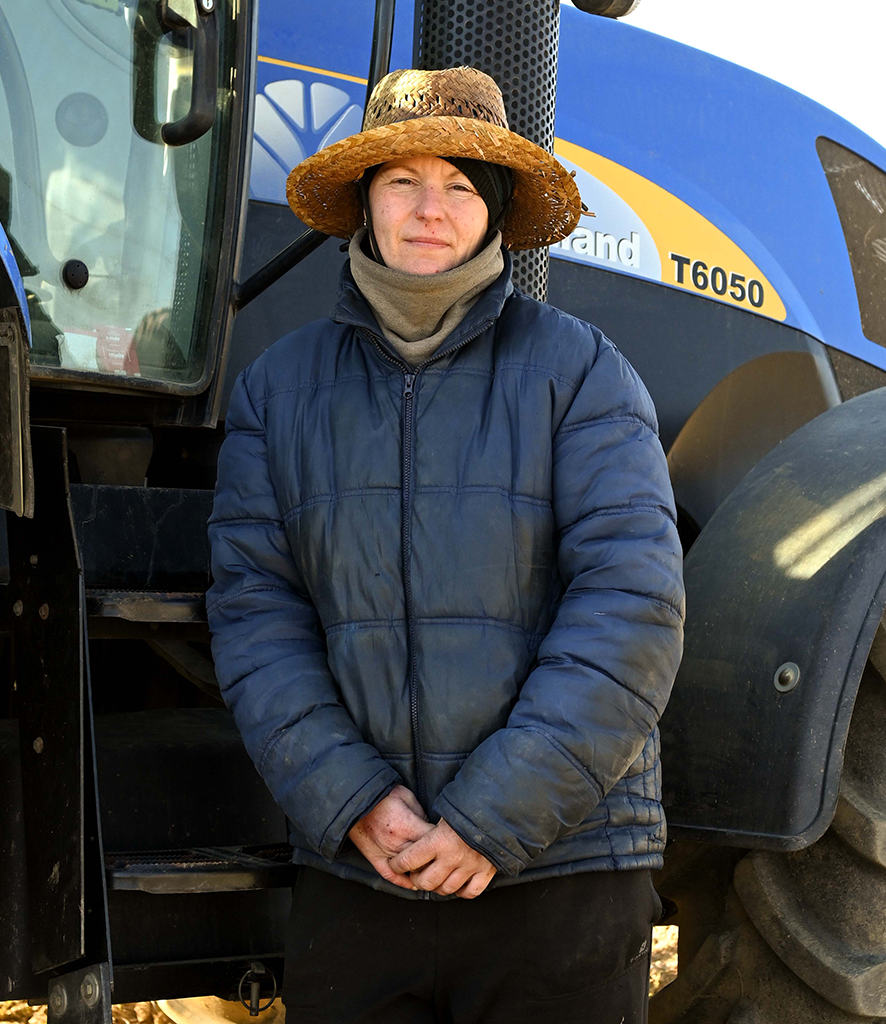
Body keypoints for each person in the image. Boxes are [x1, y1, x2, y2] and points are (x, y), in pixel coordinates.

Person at [207, 66, 684, 1023]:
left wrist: (488, 821)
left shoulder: (583, 373)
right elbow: (258, 616)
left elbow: (631, 609)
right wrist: (356, 803)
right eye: (402, 181)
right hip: (360, 880)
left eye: (462, 185)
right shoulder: (277, 390)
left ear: (497, 210)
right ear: (363, 205)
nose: (432, 208)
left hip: (561, 877)